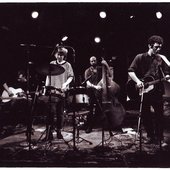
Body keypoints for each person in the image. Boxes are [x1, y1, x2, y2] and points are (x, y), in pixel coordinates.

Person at [128, 35, 170, 145]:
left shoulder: (161, 58)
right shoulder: (140, 57)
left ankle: (160, 138)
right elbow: (131, 71)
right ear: (149, 46)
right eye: (156, 47)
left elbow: (166, 74)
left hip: (157, 91)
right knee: (146, 115)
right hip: (145, 91)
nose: (158, 49)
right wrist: (137, 81)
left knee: (159, 115)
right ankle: (151, 136)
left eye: (160, 47)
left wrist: (167, 78)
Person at [44, 46, 74, 140]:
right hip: (52, 92)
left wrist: (65, 84)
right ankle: (49, 133)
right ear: (55, 54)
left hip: (61, 92)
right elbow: (48, 76)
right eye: (58, 54)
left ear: (64, 55)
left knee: (60, 113)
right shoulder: (52, 63)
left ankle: (59, 131)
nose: (59, 56)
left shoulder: (67, 65)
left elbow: (71, 76)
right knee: (50, 113)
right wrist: (46, 88)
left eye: (61, 54)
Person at [84, 56, 114, 133]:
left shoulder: (101, 69)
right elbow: (87, 83)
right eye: (91, 61)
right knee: (90, 110)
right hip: (91, 92)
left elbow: (110, 75)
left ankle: (106, 125)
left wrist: (106, 65)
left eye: (94, 60)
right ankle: (89, 126)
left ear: (96, 61)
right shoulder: (87, 71)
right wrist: (95, 87)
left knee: (101, 109)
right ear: (90, 62)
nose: (93, 62)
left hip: (101, 92)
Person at [0, 70, 31, 136]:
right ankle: (10, 125)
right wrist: (9, 91)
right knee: (13, 104)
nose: (19, 79)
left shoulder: (25, 84)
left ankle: (22, 124)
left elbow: (23, 94)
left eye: (21, 78)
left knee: (26, 102)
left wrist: (24, 95)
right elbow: (3, 83)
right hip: (8, 97)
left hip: (17, 100)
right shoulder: (12, 80)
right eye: (19, 78)